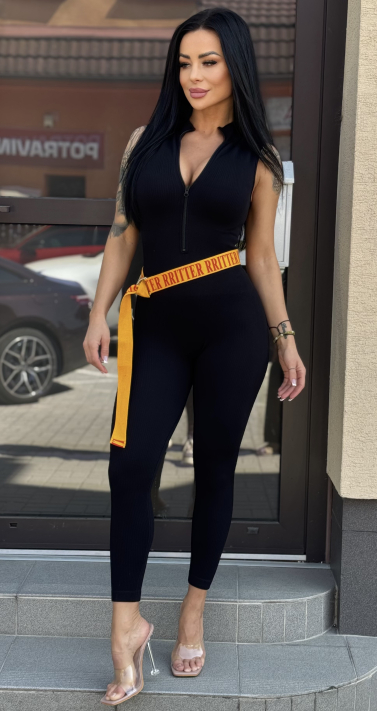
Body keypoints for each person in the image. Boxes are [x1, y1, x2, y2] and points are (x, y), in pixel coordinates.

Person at [83, 7, 306, 706]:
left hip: (231, 331)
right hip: (154, 325)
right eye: (184, 63)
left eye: (208, 62)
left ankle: (192, 610)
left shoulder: (258, 158)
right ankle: (126, 627)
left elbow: (261, 256)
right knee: (131, 466)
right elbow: (123, 231)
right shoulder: (144, 143)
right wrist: (97, 311)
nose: (194, 76)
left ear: (234, 66)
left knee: (213, 468)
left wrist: (284, 336)